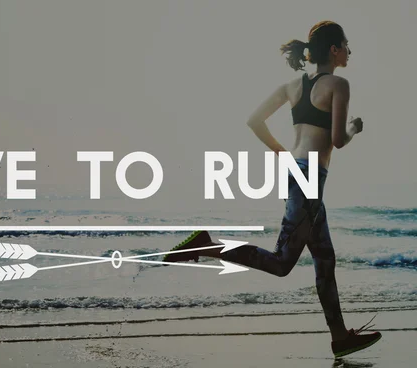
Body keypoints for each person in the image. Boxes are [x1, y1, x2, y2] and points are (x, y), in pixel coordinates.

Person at [163, 20, 382, 358]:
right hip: (310, 178)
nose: (350, 52)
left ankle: (340, 337)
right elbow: (337, 141)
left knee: (325, 258)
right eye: (347, 45)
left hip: (297, 174)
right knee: (282, 263)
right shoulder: (339, 84)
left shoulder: (292, 86)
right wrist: (354, 127)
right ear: (334, 49)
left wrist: (283, 152)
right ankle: (209, 245)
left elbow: (254, 120)